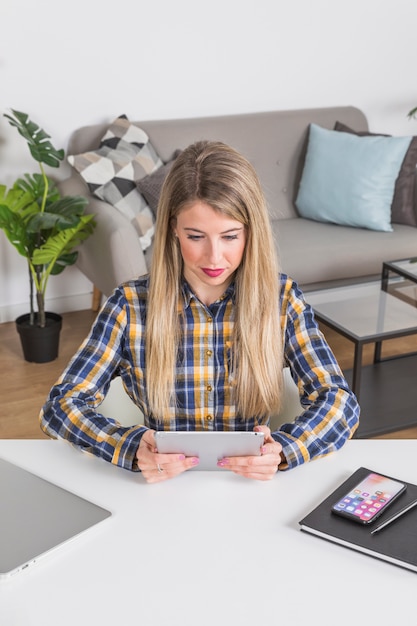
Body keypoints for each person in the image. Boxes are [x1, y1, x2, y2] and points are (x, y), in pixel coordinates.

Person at [40, 140, 360, 483]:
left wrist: (283, 449)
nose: (214, 258)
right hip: (161, 488)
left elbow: (340, 403)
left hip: (249, 486)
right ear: (173, 229)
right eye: (196, 236)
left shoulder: (281, 299)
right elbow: (60, 406)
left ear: (251, 233)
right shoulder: (130, 305)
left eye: (230, 236)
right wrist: (130, 446)